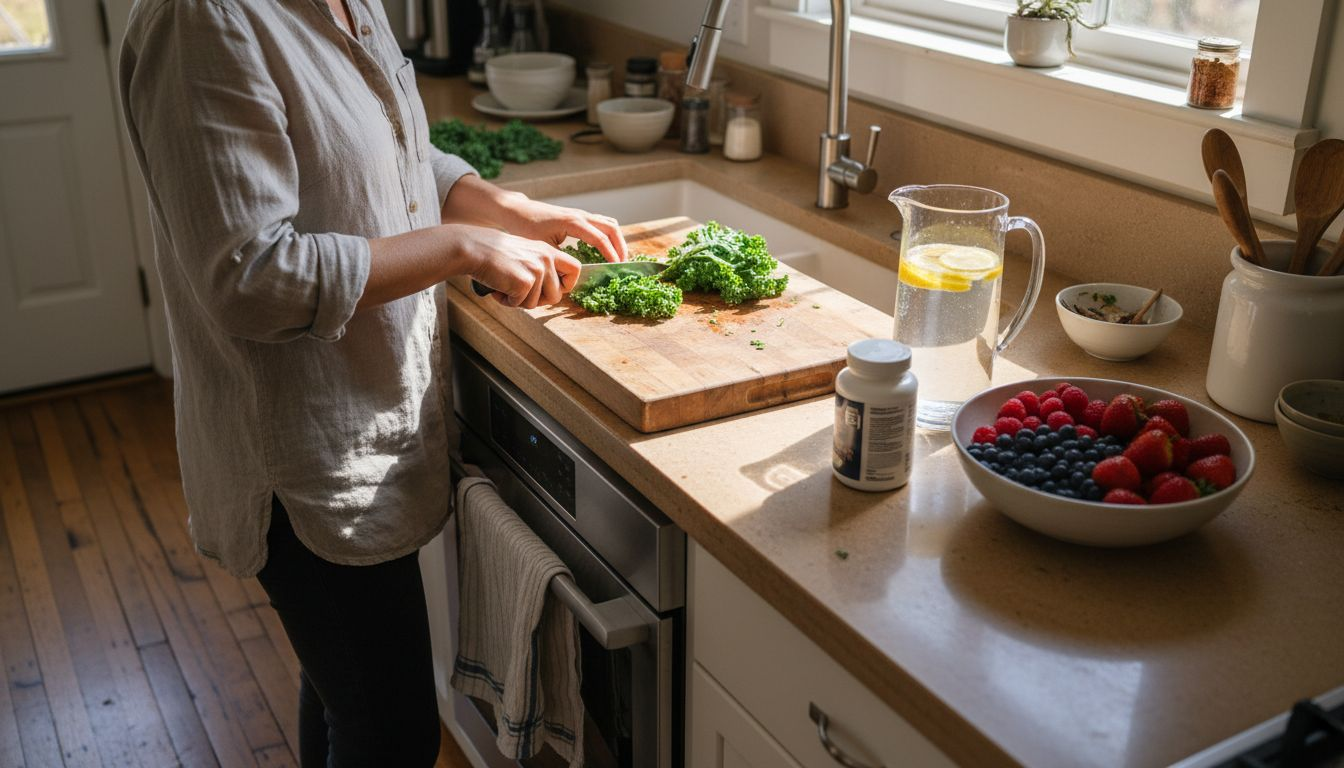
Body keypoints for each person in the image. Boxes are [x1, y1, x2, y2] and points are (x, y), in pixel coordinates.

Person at [118, 0, 626, 764]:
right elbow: (251, 278)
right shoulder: (202, 20)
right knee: (390, 732)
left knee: (344, 693)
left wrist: (490, 203)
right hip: (299, 458)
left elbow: (385, 142)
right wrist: (460, 246)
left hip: (365, 422)